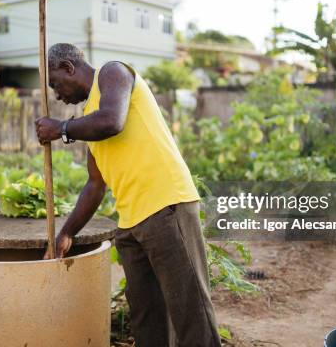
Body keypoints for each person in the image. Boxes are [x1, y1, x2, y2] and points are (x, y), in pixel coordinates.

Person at [35, 43, 221, 347]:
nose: (56, 94)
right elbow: (95, 184)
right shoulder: (89, 117)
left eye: (55, 83)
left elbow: (113, 121)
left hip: (166, 206)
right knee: (148, 319)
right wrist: (66, 233)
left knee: (191, 313)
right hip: (132, 224)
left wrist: (63, 129)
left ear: (69, 67)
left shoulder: (113, 73)